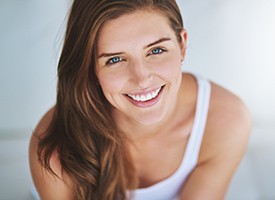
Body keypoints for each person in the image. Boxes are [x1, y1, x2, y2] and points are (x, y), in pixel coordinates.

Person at [29, 0, 252, 199]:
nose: (142, 79)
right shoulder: (54, 145)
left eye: (156, 51)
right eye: (115, 59)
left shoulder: (225, 119)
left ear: (182, 45)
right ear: (90, 68)